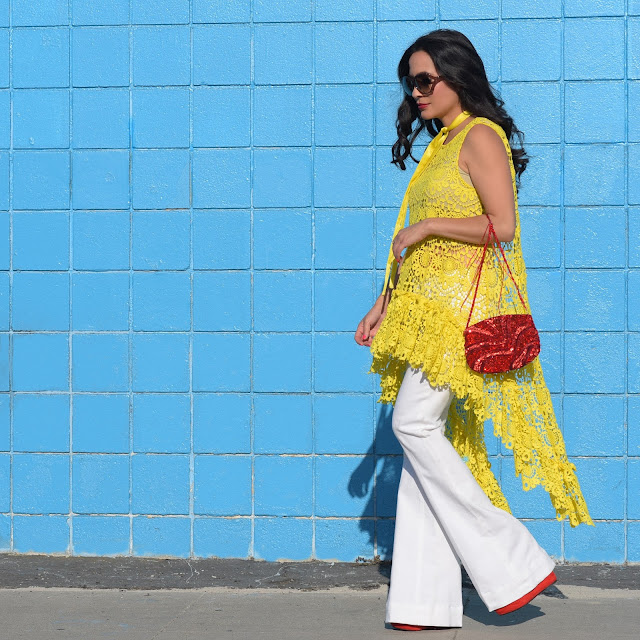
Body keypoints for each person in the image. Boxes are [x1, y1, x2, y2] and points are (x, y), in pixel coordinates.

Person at [354, 30, 594, 631]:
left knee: (412, 425)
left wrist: (429, 224)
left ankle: (512, 561)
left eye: (427, 79)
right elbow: (414, 246)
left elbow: (503, 225)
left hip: (458, 316)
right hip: (424, 311)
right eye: (412, 81)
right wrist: (385, 301)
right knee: (422, 446)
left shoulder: (480, 136)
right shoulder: (441, 144)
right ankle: (422, 602)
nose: (418, 90)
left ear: (458, 77)